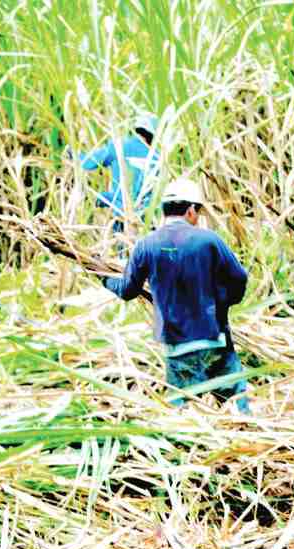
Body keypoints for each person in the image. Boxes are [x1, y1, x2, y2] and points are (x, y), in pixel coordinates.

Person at [101, 178, 252, 412]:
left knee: (181, 413)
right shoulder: (209, 240)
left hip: (177, 346)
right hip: (215, 339)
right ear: (191, 210)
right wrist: (224, 303)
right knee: (236, 406)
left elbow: (127, 290)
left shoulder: (146, 246)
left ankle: (183, 443)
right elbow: (239, 278)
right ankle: (246, 434)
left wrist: (103, 277)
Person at [78, 112, 162, 230]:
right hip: (144, 218)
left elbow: (88, 163)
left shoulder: (118, 146)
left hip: (119, 210)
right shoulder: (157, 158)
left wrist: (73, 154)